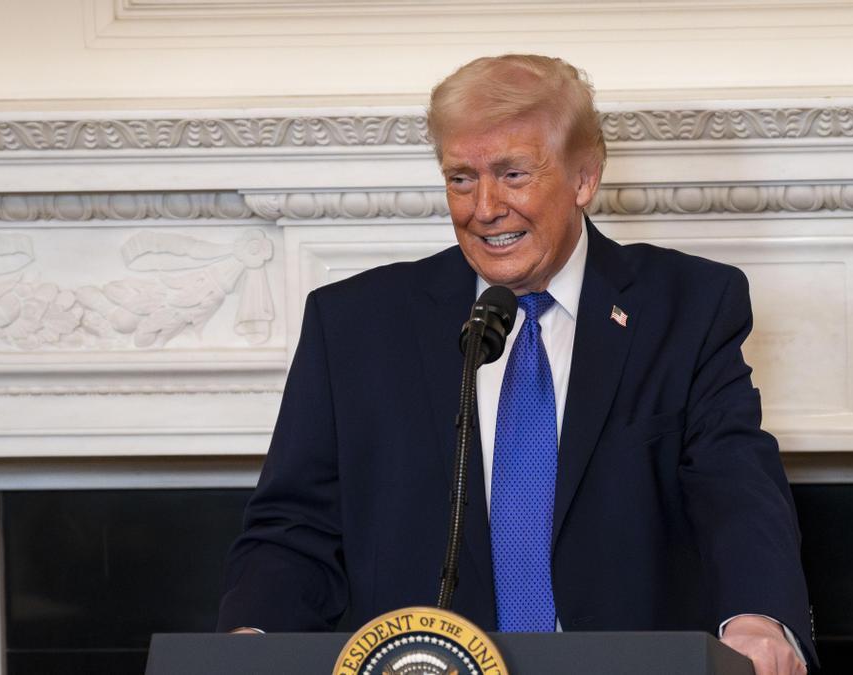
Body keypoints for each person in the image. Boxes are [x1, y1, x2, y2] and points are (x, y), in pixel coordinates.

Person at [217, 54, 815, 675]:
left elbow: (735, 486)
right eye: (460, 178)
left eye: (512, 174)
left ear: (584, 178)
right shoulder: (354, 326)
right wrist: (250, 636)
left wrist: (757, 619)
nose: (484, 207)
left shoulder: (687, 307)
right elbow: (295, 526)